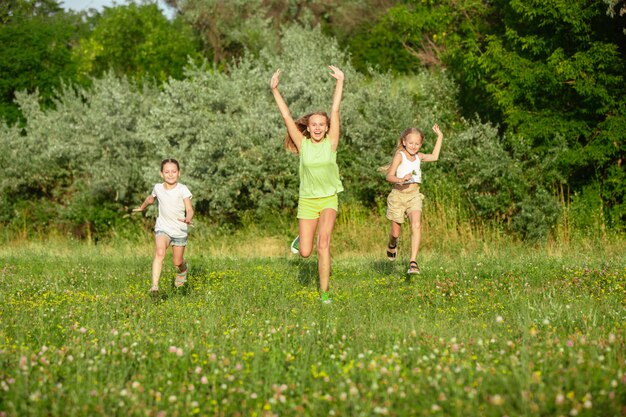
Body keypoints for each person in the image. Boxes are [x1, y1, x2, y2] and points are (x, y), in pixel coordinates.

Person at [270, 66, 344, 303]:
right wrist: (275, 90)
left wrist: (340, 81)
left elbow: (335, 108)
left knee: (324, 245)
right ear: (309, 127)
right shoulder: (302, 145)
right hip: (307, 201)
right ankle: (302, 239)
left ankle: (324, 293)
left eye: (322, 124)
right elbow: (286, 117)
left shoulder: (331, 143)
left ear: (327, 127)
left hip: (329, 198)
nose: (318, 127)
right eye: (314, 124)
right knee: (305, 253)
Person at [385, 124, 443, 274]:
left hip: (414, 196)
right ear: (404, 141)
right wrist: (400, 179)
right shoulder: (400, 156)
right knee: (396, 233)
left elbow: (435, 157)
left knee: (416, 225)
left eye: (417, 144)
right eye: (411, 143)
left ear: (420, 144)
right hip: (398, 196)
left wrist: (440, 137)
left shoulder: (419, 156)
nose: (413, 146)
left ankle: (413, 262)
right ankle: (392, 244)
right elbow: (389, 176)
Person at [134, 158, 193, 293]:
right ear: (161, 174)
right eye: (167, 172)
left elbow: (189, 209)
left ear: (179, 173)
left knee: (177, 262)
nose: (170, 174)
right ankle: (154, 286)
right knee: (160, 252)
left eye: (174, 171)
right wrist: (142, 207)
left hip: (179, 230)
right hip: (163, 228)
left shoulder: (183, 189)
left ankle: (183, 270)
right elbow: (150, 199)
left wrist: (188, 218)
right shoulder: (158, 188)